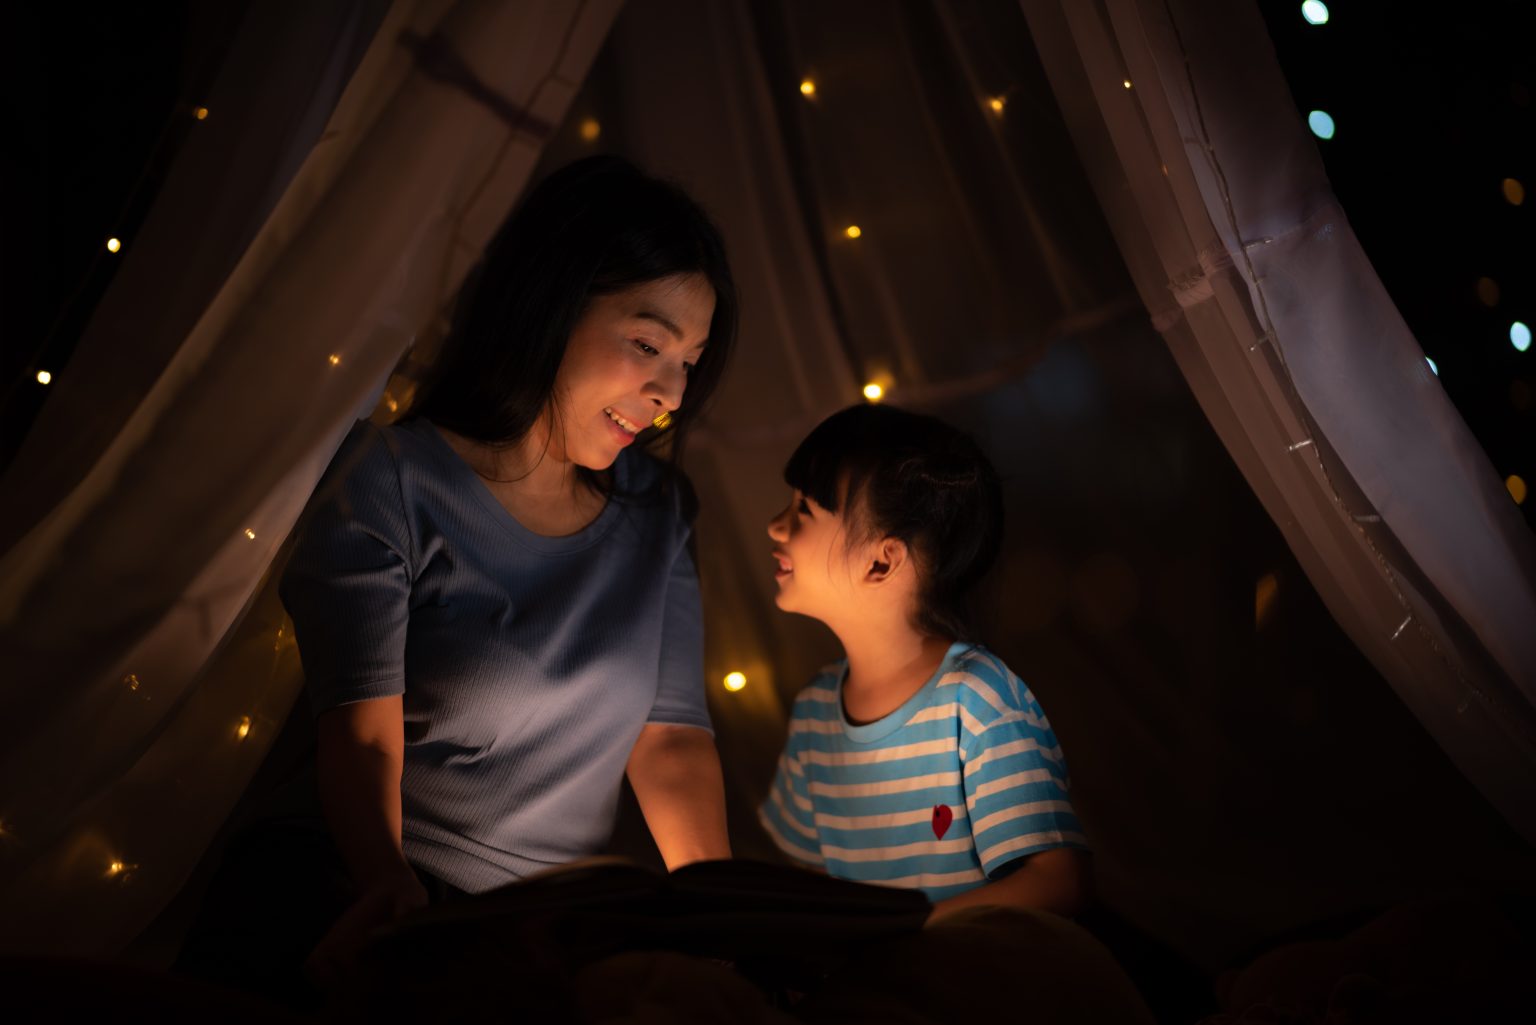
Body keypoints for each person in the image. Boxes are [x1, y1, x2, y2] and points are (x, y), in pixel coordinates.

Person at [176, 155, 738, 1001]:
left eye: (689, 362)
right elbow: (363, 736)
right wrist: (387, 885)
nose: (668, 393)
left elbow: (671, 742)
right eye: (648, 344)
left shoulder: (658, 511)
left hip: (542, 925)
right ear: (552, 304)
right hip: (358, 884)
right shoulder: (390, 478)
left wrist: (722, 920)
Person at [757, 403, 1091, 922]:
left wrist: (906, 935)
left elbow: (1055, 881)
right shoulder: (814, 712)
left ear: (881, 561)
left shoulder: (976, 700)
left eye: (804, 510)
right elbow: (812, 878)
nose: (775, 526)